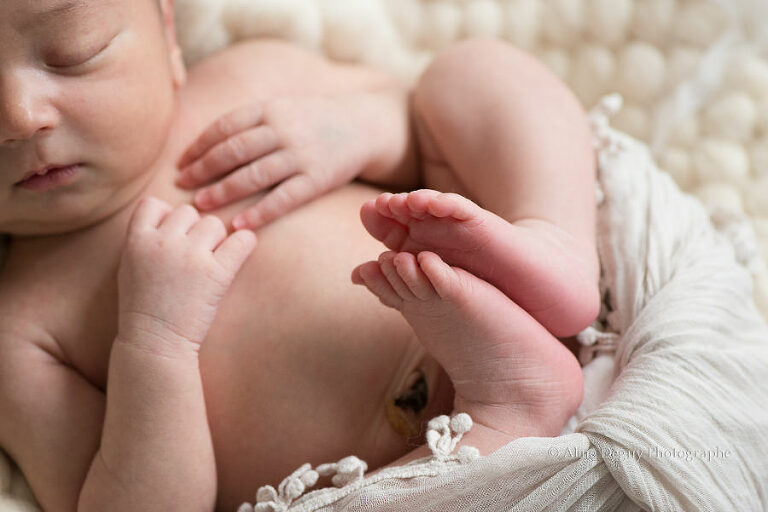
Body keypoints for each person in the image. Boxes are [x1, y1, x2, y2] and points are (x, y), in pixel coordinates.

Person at [0, 1, 599, 510]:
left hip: (507, 288)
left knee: (470, 76)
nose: (21, 119)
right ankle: (512, 409)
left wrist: (359, 126)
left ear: (166, 33)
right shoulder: (20, 325)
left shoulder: (245, 79)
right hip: (421, 470)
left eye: (73, 52)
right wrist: (155, 342)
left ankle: (556, 244)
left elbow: (418, 125)